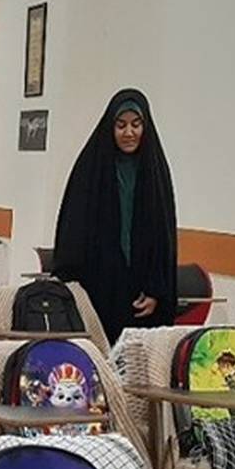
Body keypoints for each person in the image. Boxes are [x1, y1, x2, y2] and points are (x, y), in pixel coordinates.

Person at [53, 89, 177, 344]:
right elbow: (72, 230)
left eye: (136, 125)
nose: (129, 133)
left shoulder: (155, 172)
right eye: (121, 125)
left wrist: (156, 289)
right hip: (97, 288)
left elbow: (164, 236)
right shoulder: (91, 169)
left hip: (141, 294)